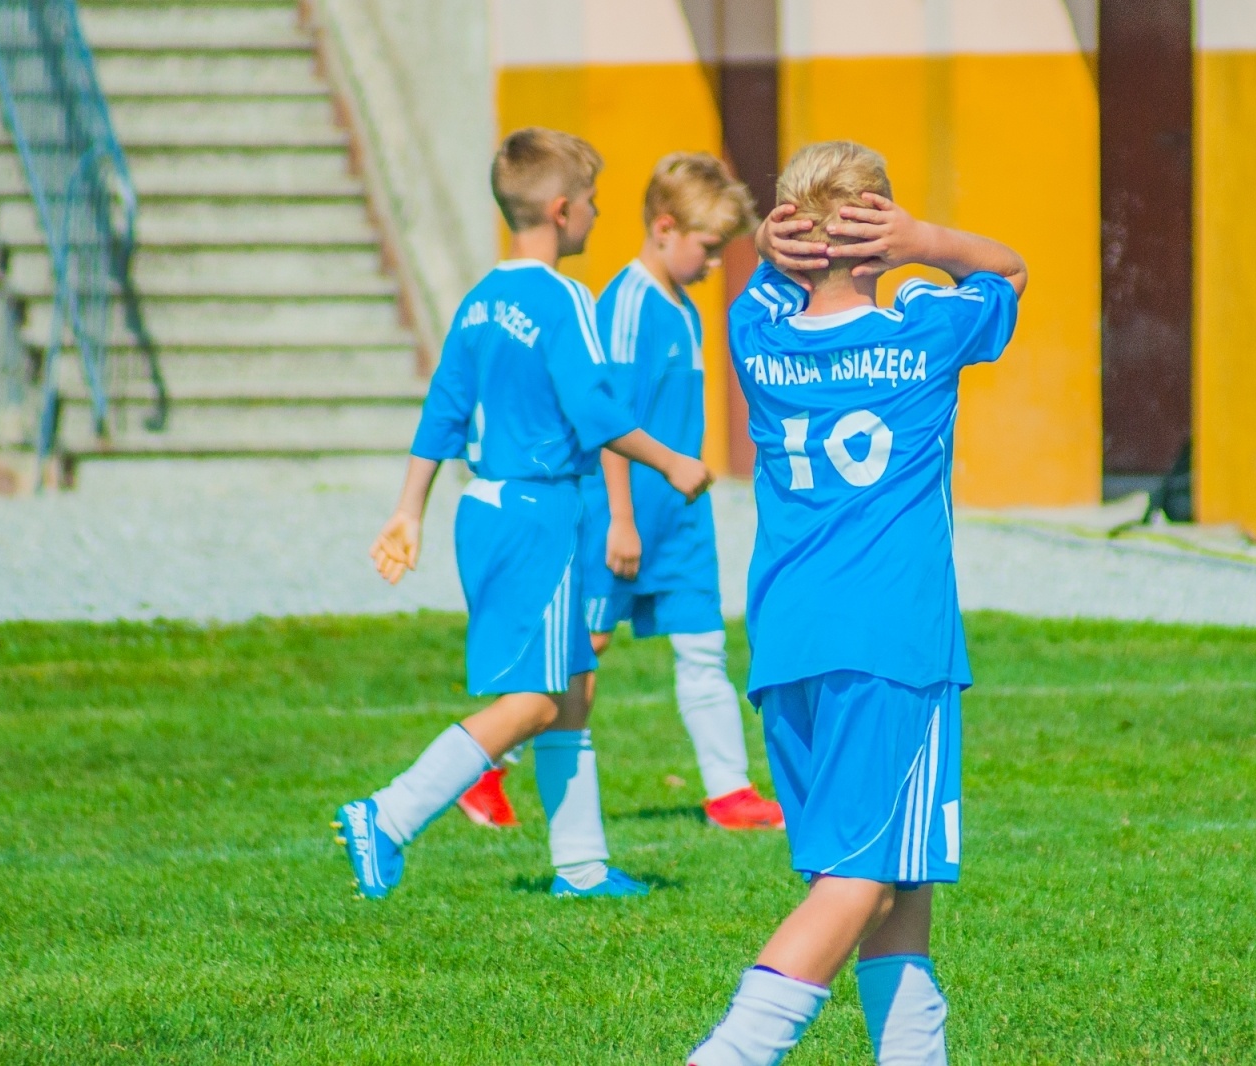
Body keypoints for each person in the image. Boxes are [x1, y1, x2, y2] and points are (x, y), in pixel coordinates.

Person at [687, 141, 1026, 1065]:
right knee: (855, 884)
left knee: (898, 882)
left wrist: (773, 245)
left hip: (790, 638)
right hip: (891, 645)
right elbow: (1008, 270)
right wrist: (927, 239)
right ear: (879, 231)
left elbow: (763, 280)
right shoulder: (924, 327)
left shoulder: (755, 336)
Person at [333, 127, 712, 901]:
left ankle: (583, 868)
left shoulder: (480, 301)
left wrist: (410, 509)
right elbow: (594, 409)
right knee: (535, 700)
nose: (600, 217)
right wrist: (672, 460)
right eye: (596, 204)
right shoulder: (562, 297)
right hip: (536, 518)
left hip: (490, 508)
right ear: (564, 210)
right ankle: (390, 814)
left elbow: (443, 409)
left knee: (573, 686)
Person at [457, 152, 784, 832]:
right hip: (622, 517)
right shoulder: (624, 304)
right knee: (583, 654)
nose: (715, 262)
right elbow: (604, 420)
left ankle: (729, 794)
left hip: (682, 519)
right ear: (664, 228)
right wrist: (622, 520)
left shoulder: (684, 307)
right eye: (707, 247)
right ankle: (484, 769)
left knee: (703, 646)